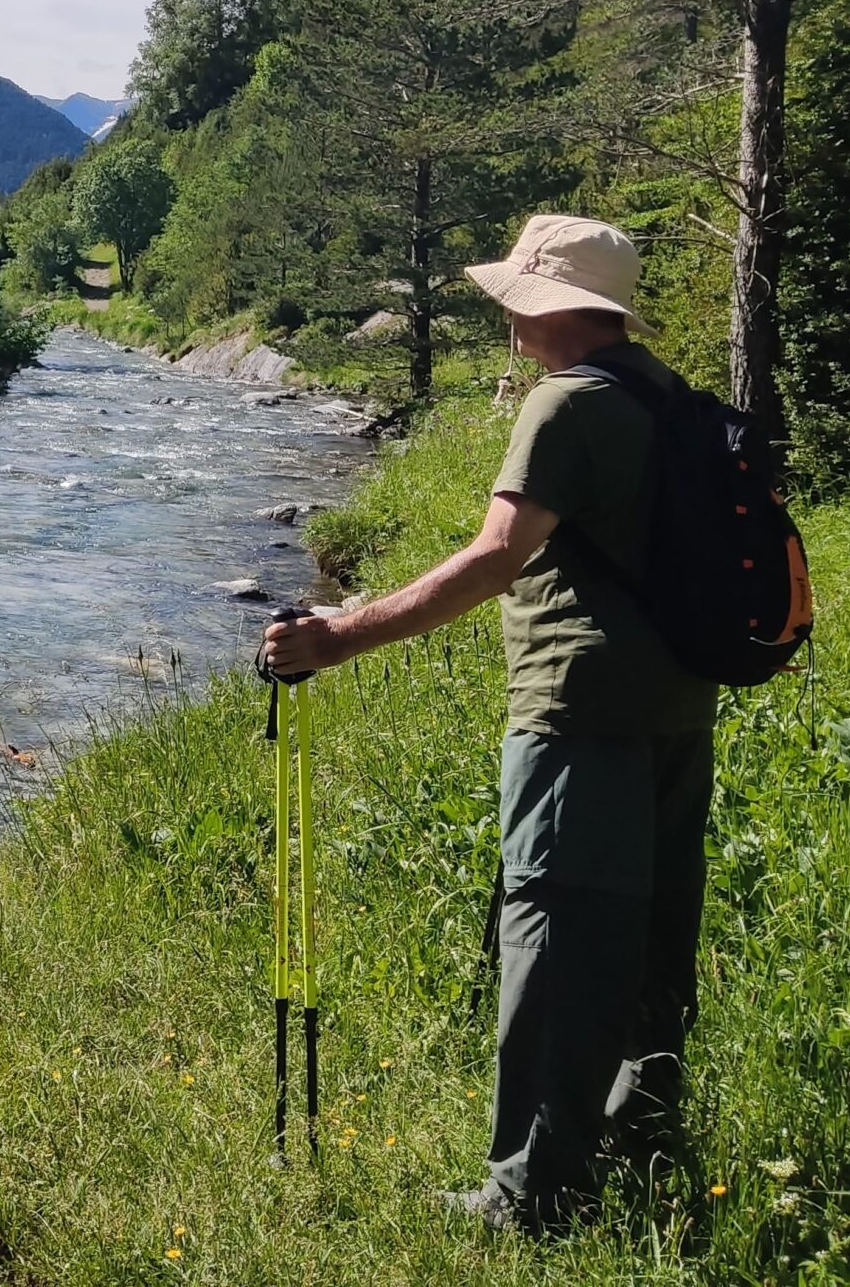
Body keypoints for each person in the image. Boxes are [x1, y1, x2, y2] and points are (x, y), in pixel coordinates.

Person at [262, 215, 713, 1232]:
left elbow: (493, 557)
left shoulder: (566, 402)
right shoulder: (664, 392)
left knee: (555, 942)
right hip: (679, 711)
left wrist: (337, 636)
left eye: (518, 293)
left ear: (555, 305)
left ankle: (531, 1194)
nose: (507, 309)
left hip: (576, 715)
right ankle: (640, 1144)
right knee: (650, 941)